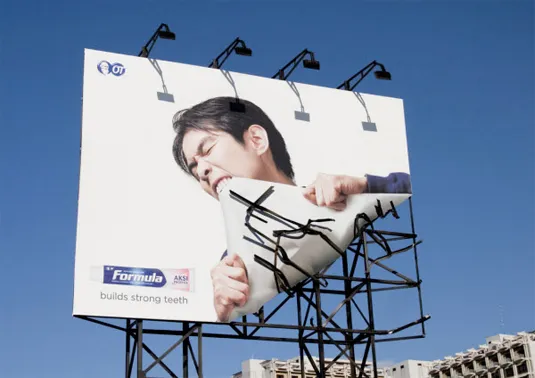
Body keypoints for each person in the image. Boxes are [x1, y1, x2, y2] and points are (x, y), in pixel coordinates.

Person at [171, 96, 411, 322]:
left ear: (256, 139)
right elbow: (230, 315)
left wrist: (366, 186)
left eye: (208, 150)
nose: (201, 171)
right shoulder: (235, 263)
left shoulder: (340, 195)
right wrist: (226, 307)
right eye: (194, 167)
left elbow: (412, 191)